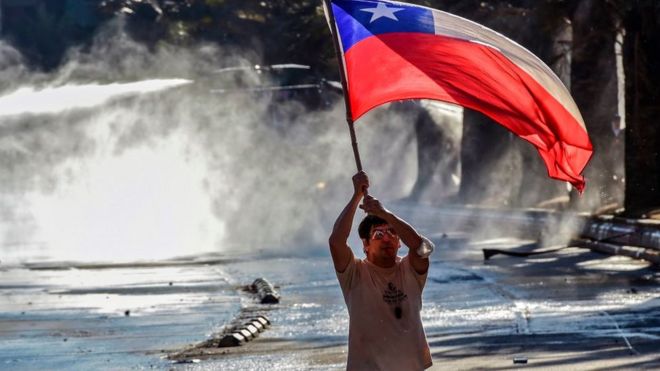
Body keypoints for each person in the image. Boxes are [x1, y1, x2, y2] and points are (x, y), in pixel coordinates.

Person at [329, 171, 435, 370]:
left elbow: (421, 248)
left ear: (400, 243)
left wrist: (385, 213)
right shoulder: (355, 273)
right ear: (365, 245)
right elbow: (336, 242)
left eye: (392, 233)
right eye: (378, 234)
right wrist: (356, 197)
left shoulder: (410, 269)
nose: (387, 239)